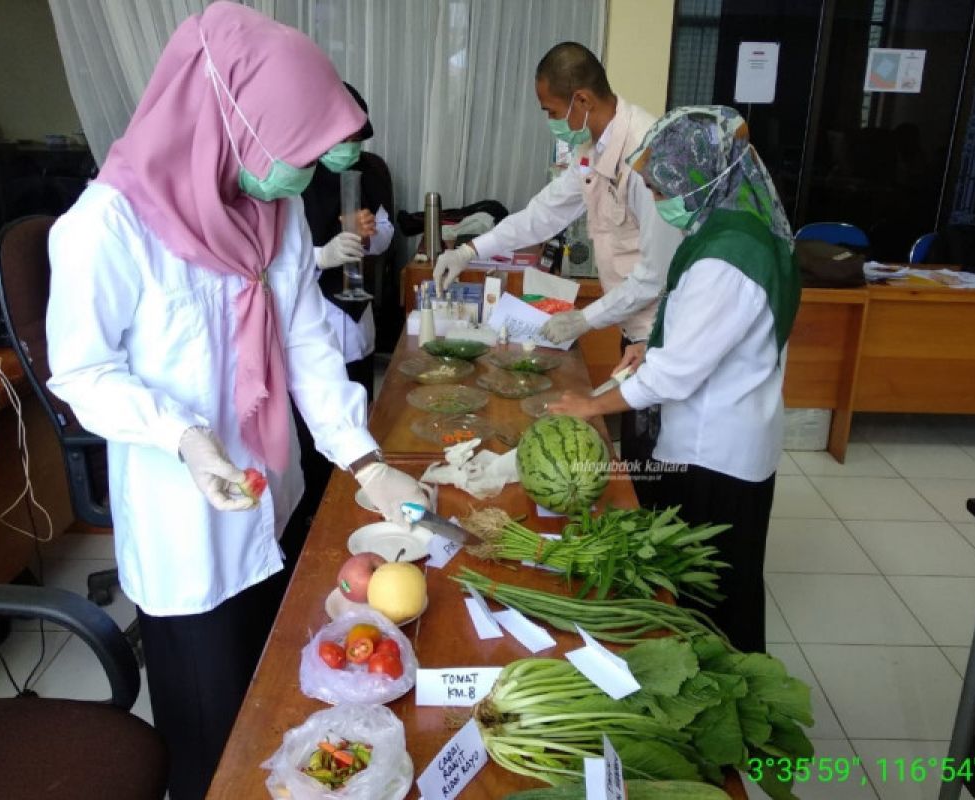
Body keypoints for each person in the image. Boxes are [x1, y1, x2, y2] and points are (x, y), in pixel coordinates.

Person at [44, 5, 427, 797]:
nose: (300, 177)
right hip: (185, 519)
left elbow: (306, 339)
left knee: (274, 706)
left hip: (268, 494)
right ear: (225, 117)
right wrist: (185, 436)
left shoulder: (272, 209)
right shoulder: (105, 226)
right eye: (289, 153)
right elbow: (81, 373)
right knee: (211, 737)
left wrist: (363, 459)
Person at [550, 106, 802, 654]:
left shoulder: (729, 256)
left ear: (699, 177)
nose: (659, 200)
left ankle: (723, 705)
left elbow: (676, 374)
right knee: (722, 581)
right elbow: (708, 337)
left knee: (714, 597)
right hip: (733, 434)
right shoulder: (736, 225)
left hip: (715, 452)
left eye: (659, 187)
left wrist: (592, 408)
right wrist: (648, 344)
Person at [432, 41, 681, 504]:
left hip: (665, 331)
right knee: (641, 449)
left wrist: (584, 319)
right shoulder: (592, 149)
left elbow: (654, 274)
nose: (551, 121)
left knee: (657, 463)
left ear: (582, 100)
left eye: (552, 110)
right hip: (635, 331)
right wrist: (470, 249)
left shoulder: (647, 154)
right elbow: (541, 215)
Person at [301, 81, 395, 397]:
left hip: (357, 309)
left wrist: (366, 235)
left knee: (361, 402)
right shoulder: (291, 179)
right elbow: (273, 260)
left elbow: (385, 230)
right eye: (345, 139)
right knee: (320, 419)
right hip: (311, 315)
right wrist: (322, 255)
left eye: (357, 139)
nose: (351, 147)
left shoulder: (368, 171)